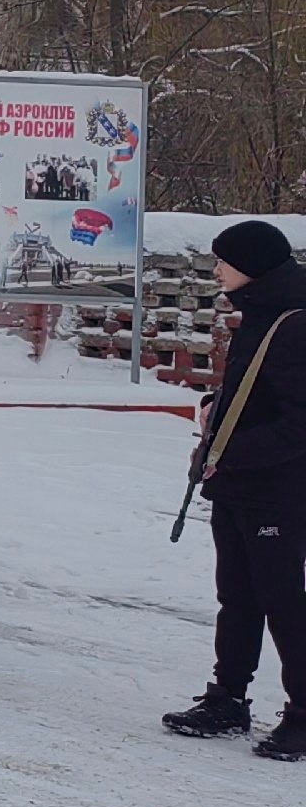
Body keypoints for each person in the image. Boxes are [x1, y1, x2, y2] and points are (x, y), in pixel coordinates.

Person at [162, 220, 306, 762]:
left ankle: (302, 715)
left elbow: (299, 421)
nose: (215, 267)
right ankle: (228, 698)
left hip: (277, 489)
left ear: (252, 264)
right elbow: (256, 391)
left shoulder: (294, 323)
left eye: (223, 259)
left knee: (284, 602)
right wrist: (215, 410)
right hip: (239, 485)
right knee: (237, 596)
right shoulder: (263, 313)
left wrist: (229, 452)